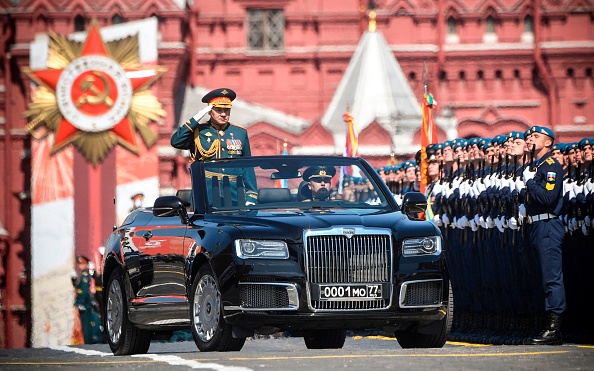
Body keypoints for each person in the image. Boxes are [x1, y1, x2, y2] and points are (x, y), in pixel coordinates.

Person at [170, 88, 257, 204]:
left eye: (226, 110)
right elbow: (176, 141)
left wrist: (251, 194)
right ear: (210, 111)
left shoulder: (239, 133)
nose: (223, 114)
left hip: (234, 193)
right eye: (218, 110)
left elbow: (247, 166)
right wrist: (196, 118)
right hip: (206, 191)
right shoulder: (198, 131)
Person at [522, 126, 565, 345]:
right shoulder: (535, 166)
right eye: (528, 136)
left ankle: (553, 329)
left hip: (548, 226)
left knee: (551, 278)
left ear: (548, 143)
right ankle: (542, 324)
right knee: (538, 278)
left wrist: (529, 182)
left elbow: (548, 198)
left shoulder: (551, 166)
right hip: (535, 226)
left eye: (535, 136)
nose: (530, 139)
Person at [71, 255, 102, 344]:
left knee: (87, 326)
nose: (80, 266)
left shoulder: (85, 276)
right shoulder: (83, 276)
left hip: (85, 305)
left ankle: (89, 343)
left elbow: (83, 292)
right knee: (86, 326)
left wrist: (80, 303)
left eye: (83, 264)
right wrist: (74, 282)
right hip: (85, 304)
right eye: (79, 264)